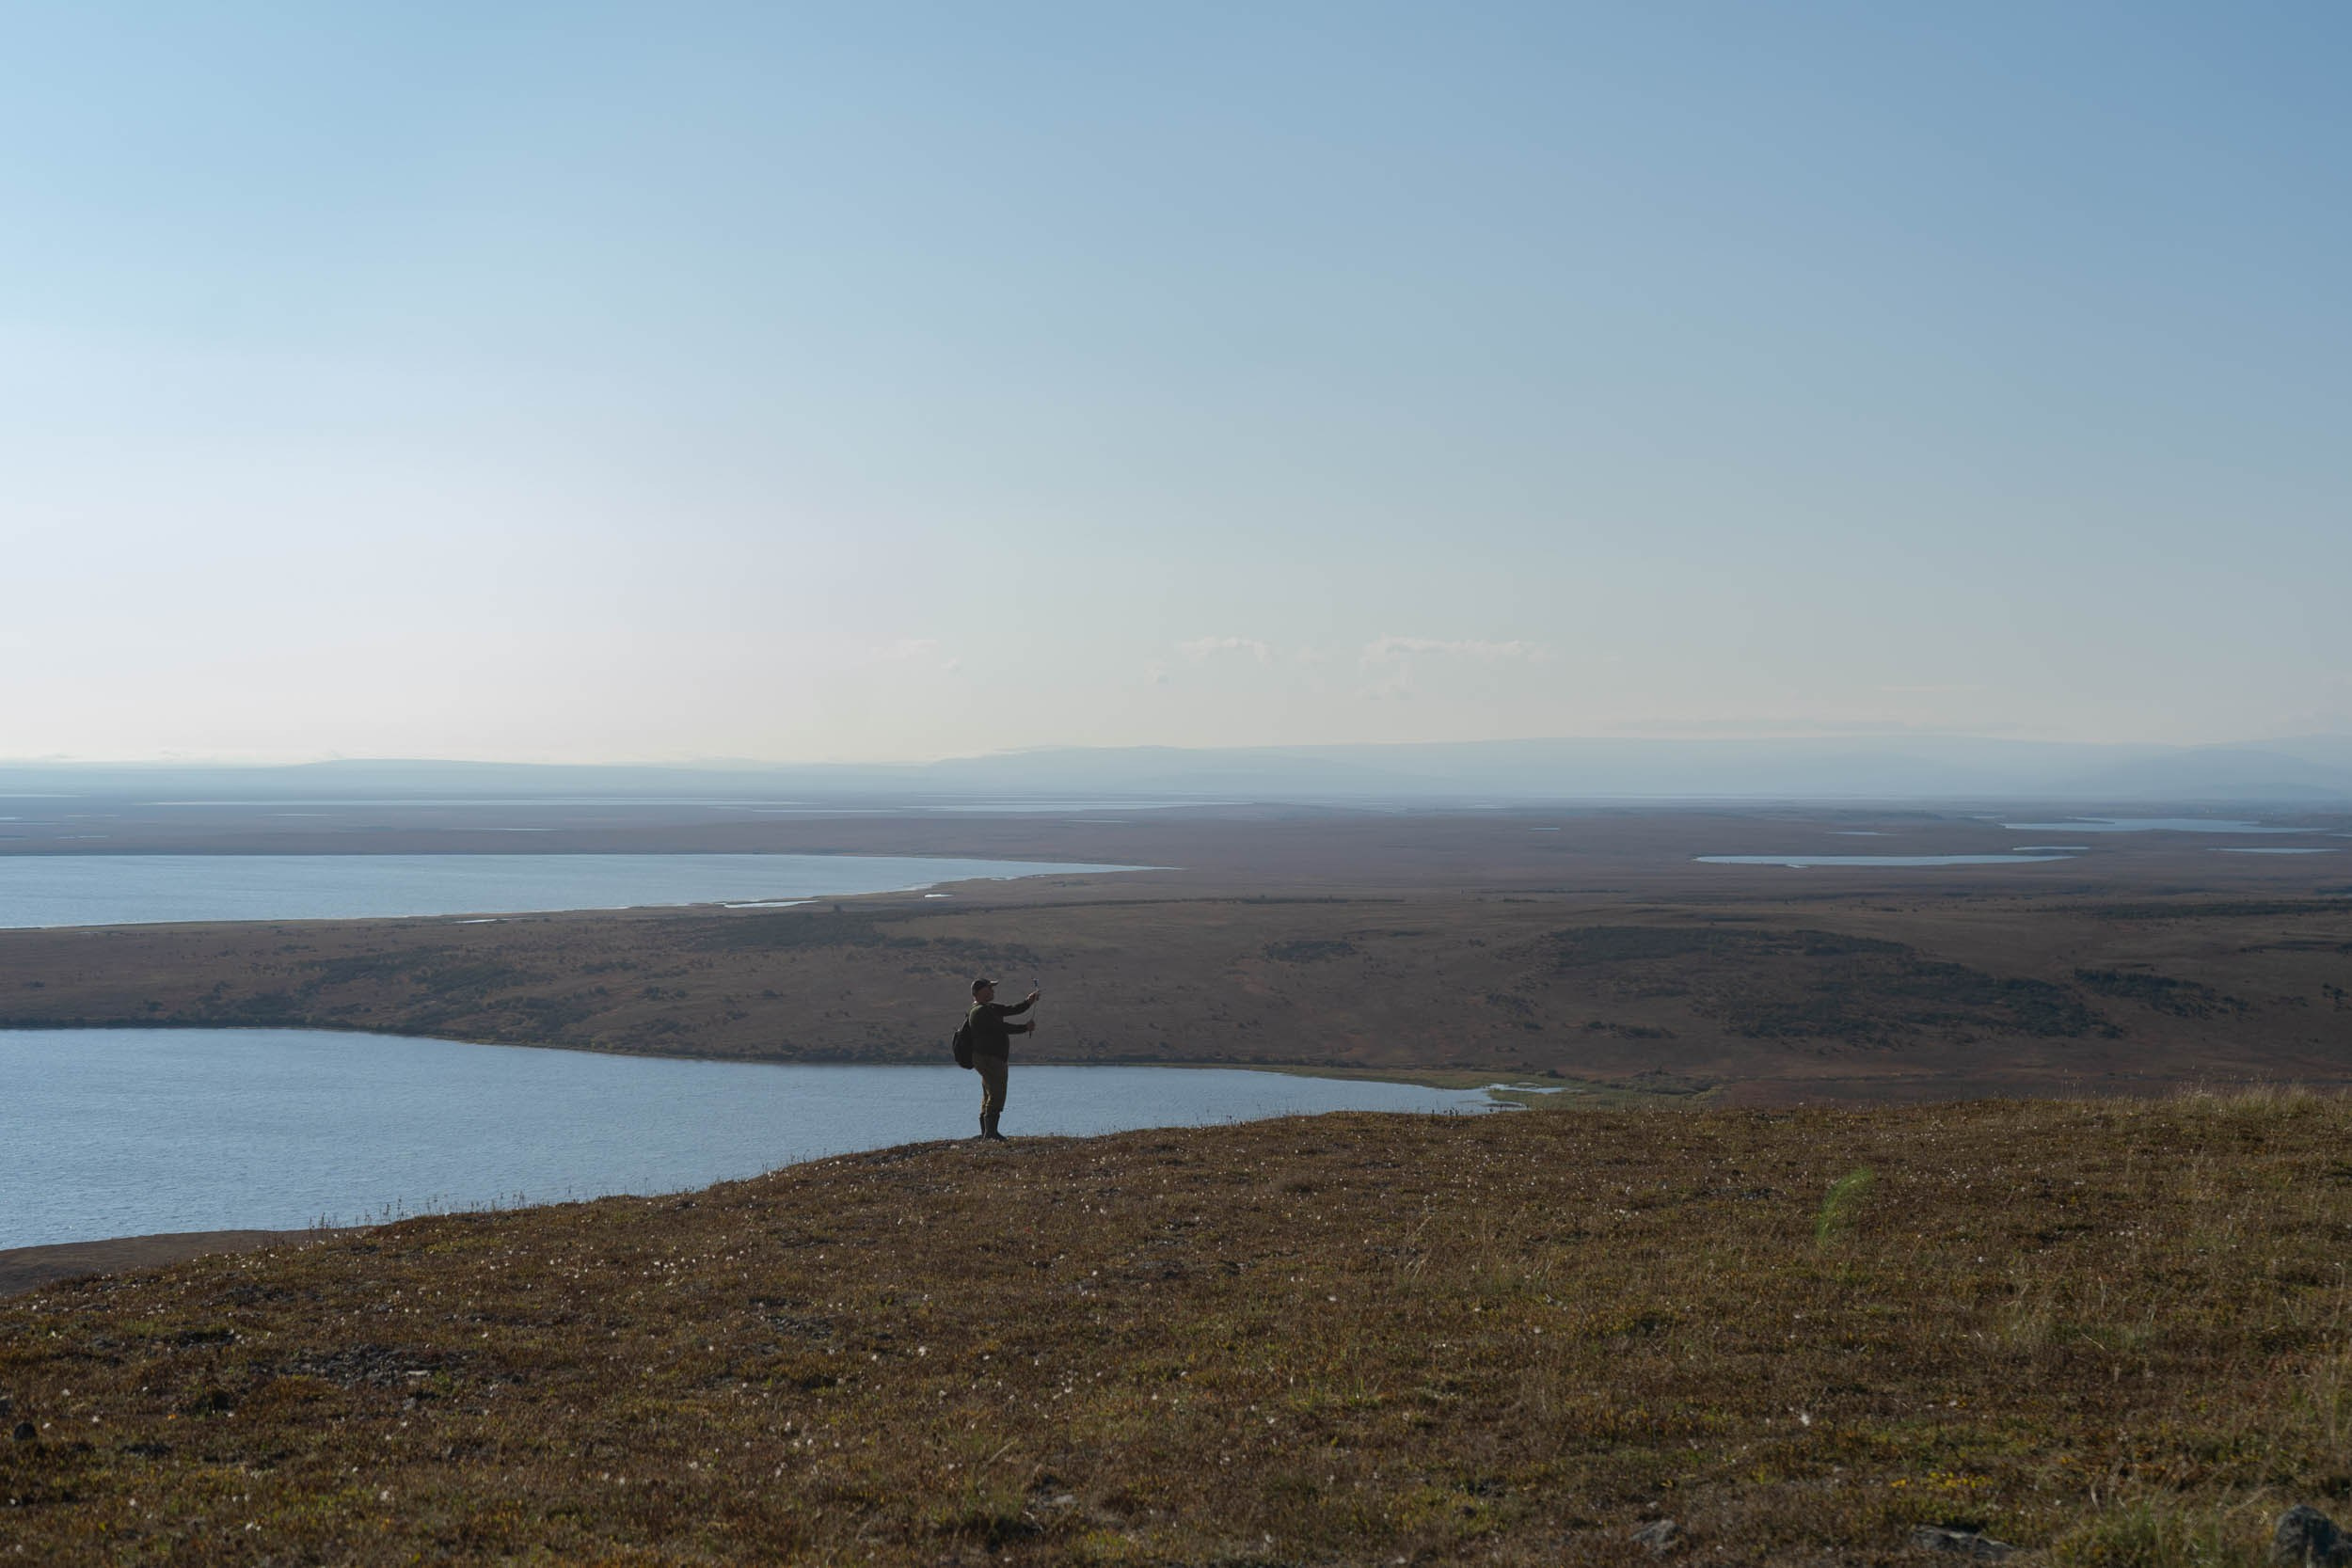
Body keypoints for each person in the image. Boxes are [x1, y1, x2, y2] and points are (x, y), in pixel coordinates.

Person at [965, 976, 1038, 1141]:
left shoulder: (987, 1008)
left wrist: (1028, 1002)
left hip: (989, 1058)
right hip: (989, 1059)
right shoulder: (979, 1012)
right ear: (979, 992)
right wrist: (1024, 1028)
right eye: (989, 988)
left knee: (989, 1092)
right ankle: (990, 1133)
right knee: (997, 1092)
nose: (992, 990)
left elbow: (1011, 1010)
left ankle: (987, 1133)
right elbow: (1001, 1028)